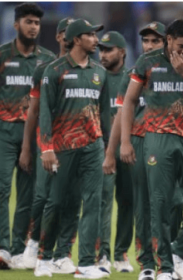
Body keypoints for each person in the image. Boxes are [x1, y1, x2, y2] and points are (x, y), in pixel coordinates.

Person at [120, 19, 183, 280]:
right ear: (169, 39)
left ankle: (178, 250)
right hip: (157, 138)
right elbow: (128, 101)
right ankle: (164, 268)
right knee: (159, 205)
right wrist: (126, 142)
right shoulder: (147, 62)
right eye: (182, 46)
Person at [35, 18, 110, 279]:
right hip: (62, 147)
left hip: (92, 147)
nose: (96, 39)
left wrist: (107, 150)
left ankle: (86, 264)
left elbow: (104, 114)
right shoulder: (54, 71)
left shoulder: (100, 72)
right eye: (90, 35)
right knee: (56, 203)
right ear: (77, 39)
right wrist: (46, 148)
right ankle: (44, 258)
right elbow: (45, 112)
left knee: (92, 204)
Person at [103, 22, 165, 280]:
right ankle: (143, 262)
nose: (149, 46)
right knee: (140, 206)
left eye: (155, 41)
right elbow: (120, 114)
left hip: (167, 148)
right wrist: (112, 151)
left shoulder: (177, 75)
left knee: (169, 205)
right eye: (146, 41)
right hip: (138, 147)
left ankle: (173, 260)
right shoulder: (134, 76)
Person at [20, 17, 80, 274]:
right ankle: (33, 244)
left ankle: (63, 253)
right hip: (49, 143)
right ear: (58, 37)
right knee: (44, 197)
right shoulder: (44, 69)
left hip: (77, 146)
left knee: (72, 200)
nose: (72, 36)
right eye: (67, 32)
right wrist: (27, 147)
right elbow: (33, 113)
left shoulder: (92, 69)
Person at [0, 3, 55, 270]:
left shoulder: (47, 60)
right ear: (16, 25)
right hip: (4, 132)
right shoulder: (2, 56)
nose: (33, 27)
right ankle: (1, 247)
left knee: (28, 195)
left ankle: (17, 249)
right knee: (1, 190)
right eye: (28, 22)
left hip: (33, 136)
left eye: (36, 23)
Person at [97, 31, 132, 274]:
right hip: (102, 150)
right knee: (103, 202)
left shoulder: (134, 78)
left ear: (122, 52)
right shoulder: (96, 77)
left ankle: (121, 254)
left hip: (128, 151)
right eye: (101, 49)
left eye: (108, 50)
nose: (103, 54)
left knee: (128, 202)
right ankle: (102, 255)